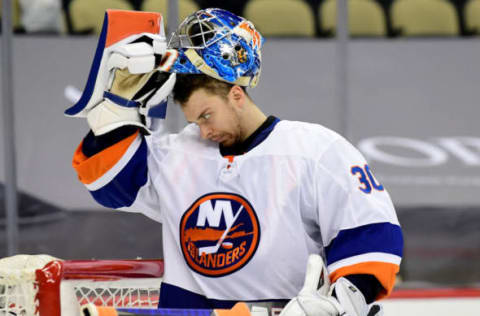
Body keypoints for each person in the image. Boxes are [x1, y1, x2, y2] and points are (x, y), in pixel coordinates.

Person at [67, 8, 403, 316]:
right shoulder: (177, 155)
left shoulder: (316, 150)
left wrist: (340, 302)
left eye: (208, 115)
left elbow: (371, 235)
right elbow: (107, 183)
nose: (205, 129)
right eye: (195, 120)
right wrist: (116, 112)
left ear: (236, 95)